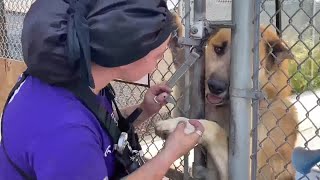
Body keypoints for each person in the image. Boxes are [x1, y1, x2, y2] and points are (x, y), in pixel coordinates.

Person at [0, 0, 205, 180]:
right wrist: (169, 154)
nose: (159, 62)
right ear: (127, 55)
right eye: (158, 56)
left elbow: (98, 126)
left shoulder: (74, 77)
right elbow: (79, 136)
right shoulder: (67, 135)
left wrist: (143, 109)